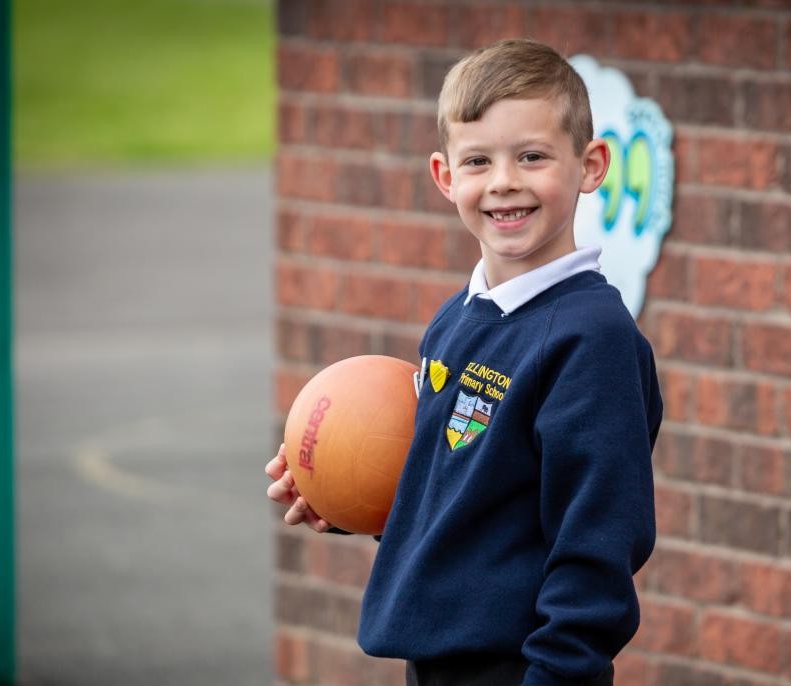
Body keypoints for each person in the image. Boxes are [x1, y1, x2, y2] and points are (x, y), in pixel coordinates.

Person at [265, 38, 662, 686]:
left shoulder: (592, 341)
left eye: (531, 156)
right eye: (478, 160)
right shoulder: (460, 318)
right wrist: (345, 500)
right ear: (446, 177)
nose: (504, 181)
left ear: (590, 165)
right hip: (436, 664)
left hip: (520, 668)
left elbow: (596, 547)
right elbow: (461, 489)